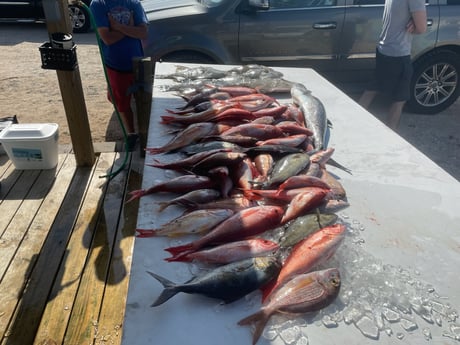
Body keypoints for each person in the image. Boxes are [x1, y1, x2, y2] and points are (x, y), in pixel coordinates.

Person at [359, 0, 427, 130]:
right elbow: (422, 27)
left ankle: (351, 121)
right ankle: (391, 137)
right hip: (398, 53)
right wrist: (417, 23)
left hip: (384, 48)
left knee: (372, 89)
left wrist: (415, 21)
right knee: (399, 99)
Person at [90, 0, 148, 150]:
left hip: (138, 62)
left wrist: (118, 27)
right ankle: (131, 134)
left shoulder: (134, 3)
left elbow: (143, 32)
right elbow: (107, 38)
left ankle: (145, 135)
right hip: (116, 65)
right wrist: (130, 28)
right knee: (122, 102)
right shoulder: (98, 4)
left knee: (144, 101)